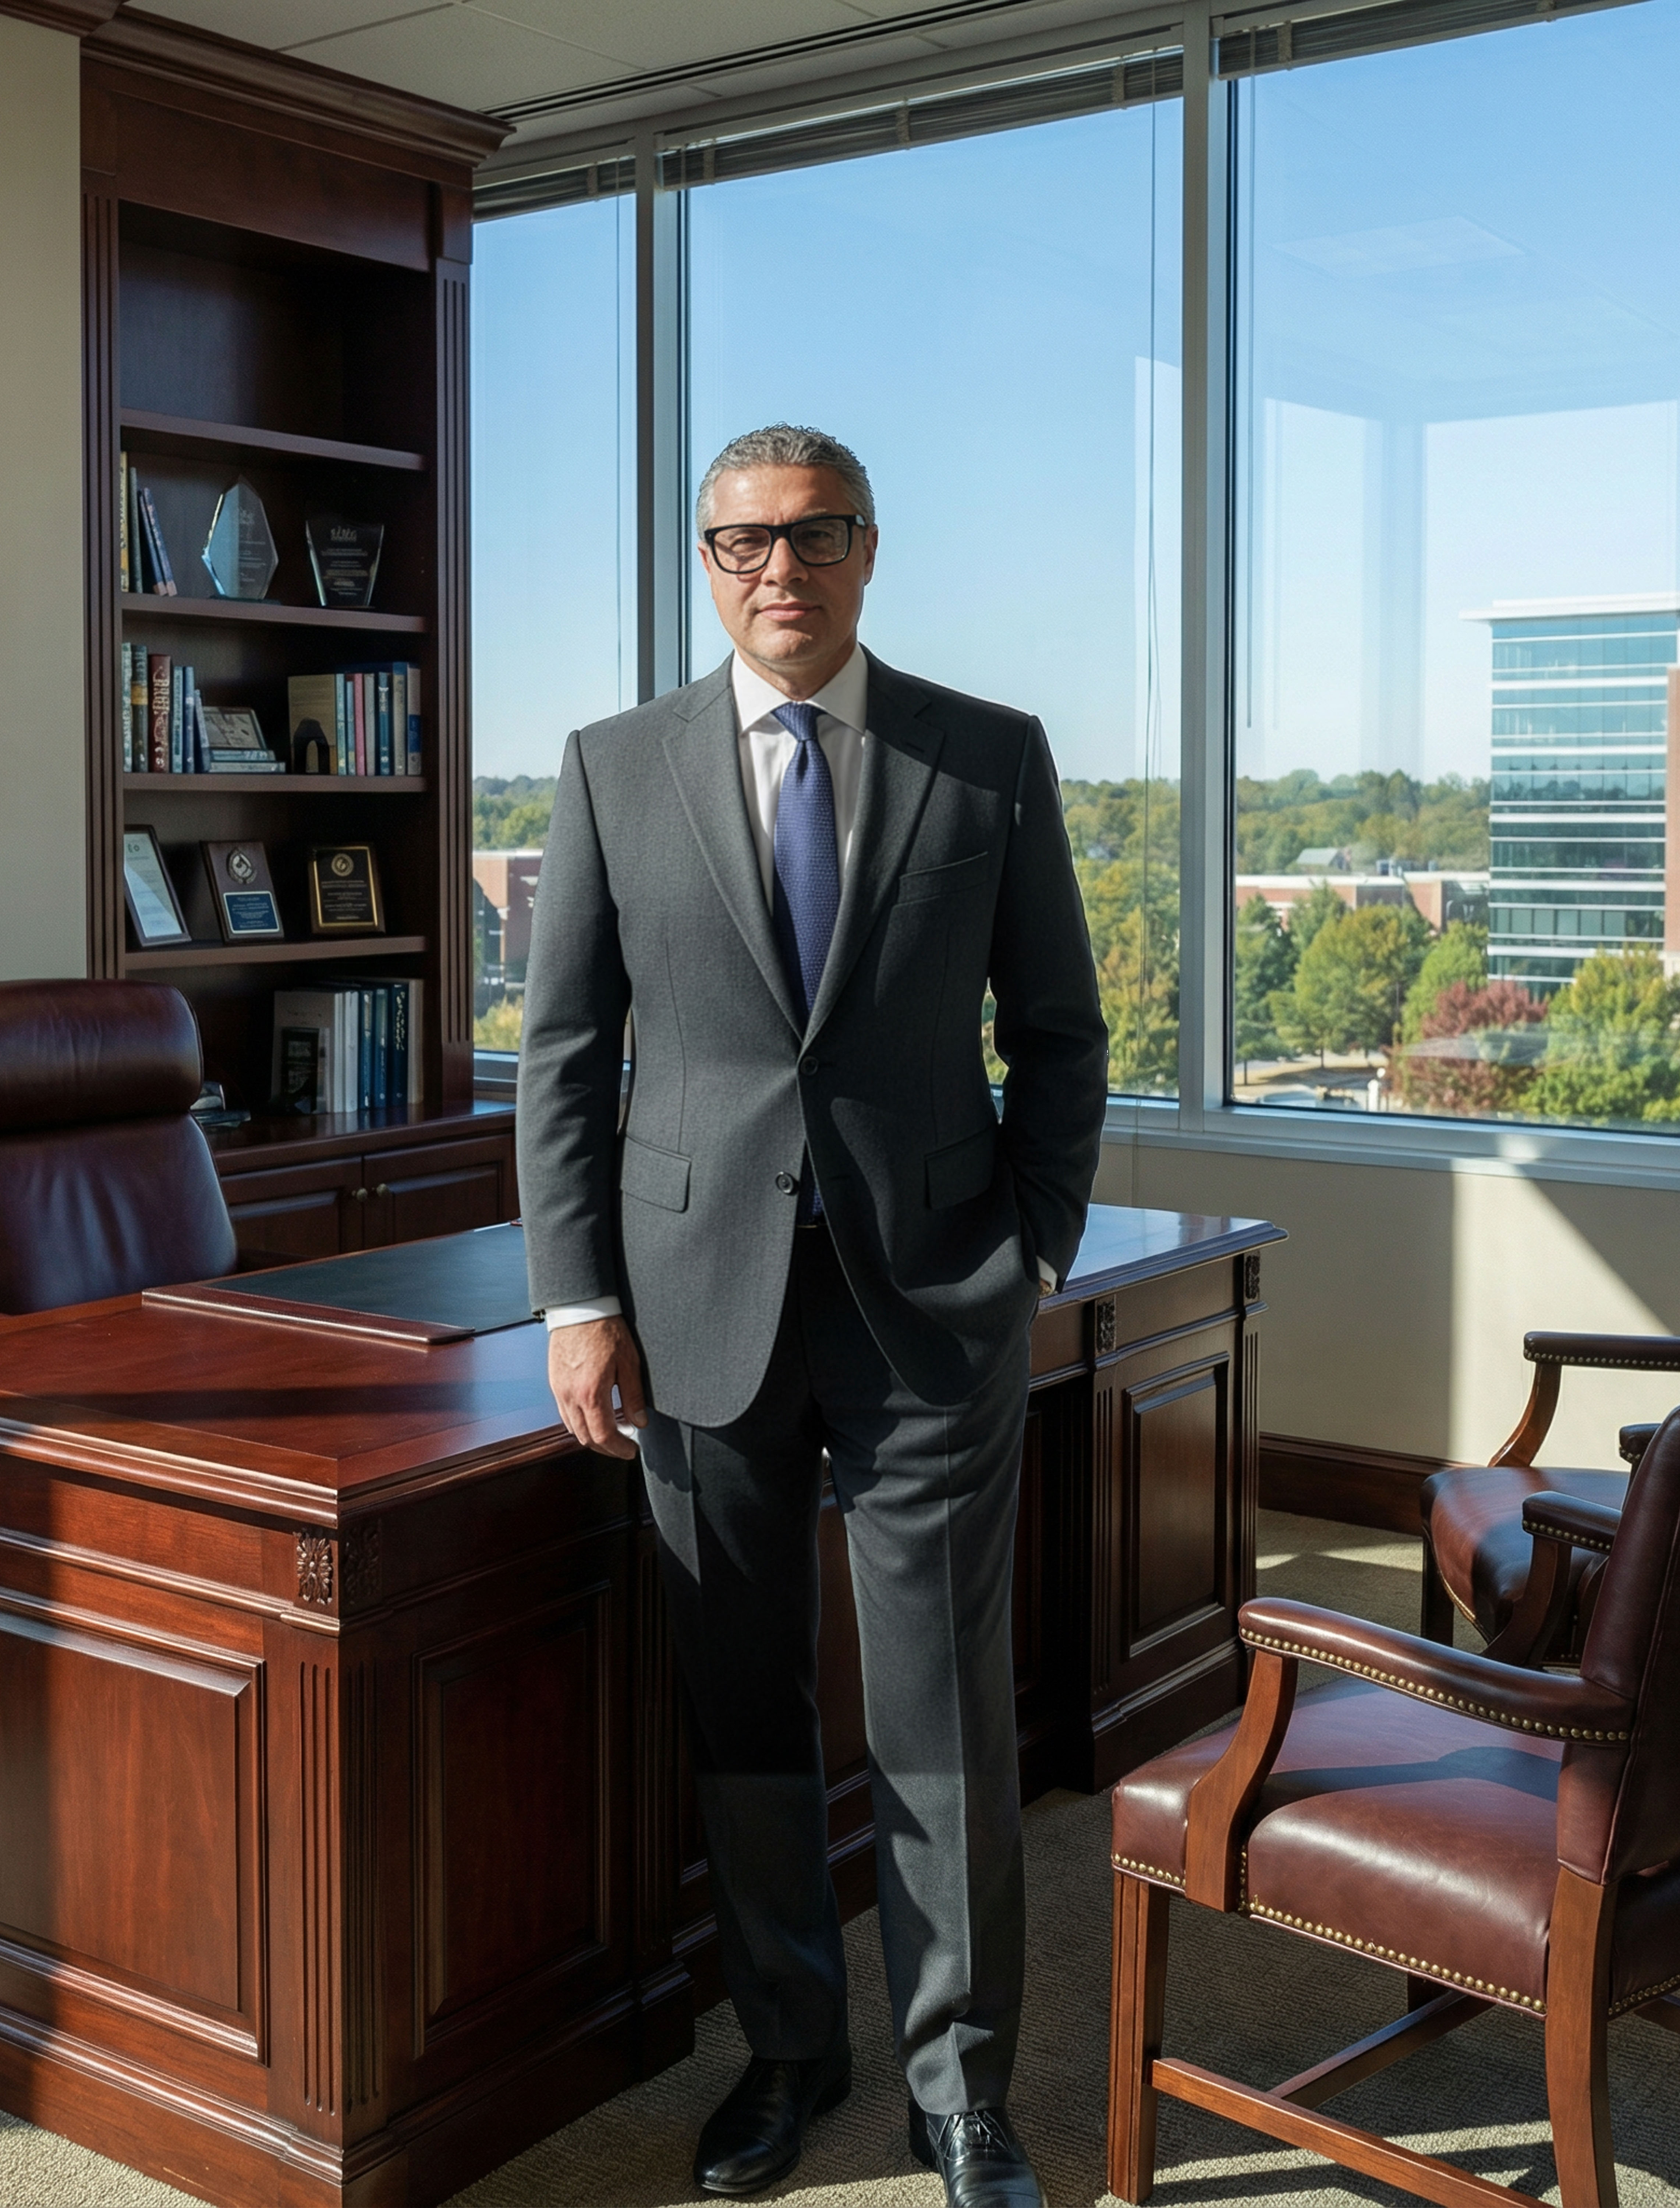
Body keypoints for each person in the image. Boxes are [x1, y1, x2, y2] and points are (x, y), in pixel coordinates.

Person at [518, 424, 1106, 2208]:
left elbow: (1061, 1035)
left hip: (932, 1306)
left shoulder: (983, 757)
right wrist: (575, 1300)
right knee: (746, 1708)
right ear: (706, 562)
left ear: (870, 548)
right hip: (693, 1309)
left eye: (816, 536)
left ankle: (961, 2092)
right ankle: (789, 2053)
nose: (781, 570)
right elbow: (563, 1057)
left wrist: (1036, 1249)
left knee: (943, 1710)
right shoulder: (615, 768)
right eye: (743, 543)